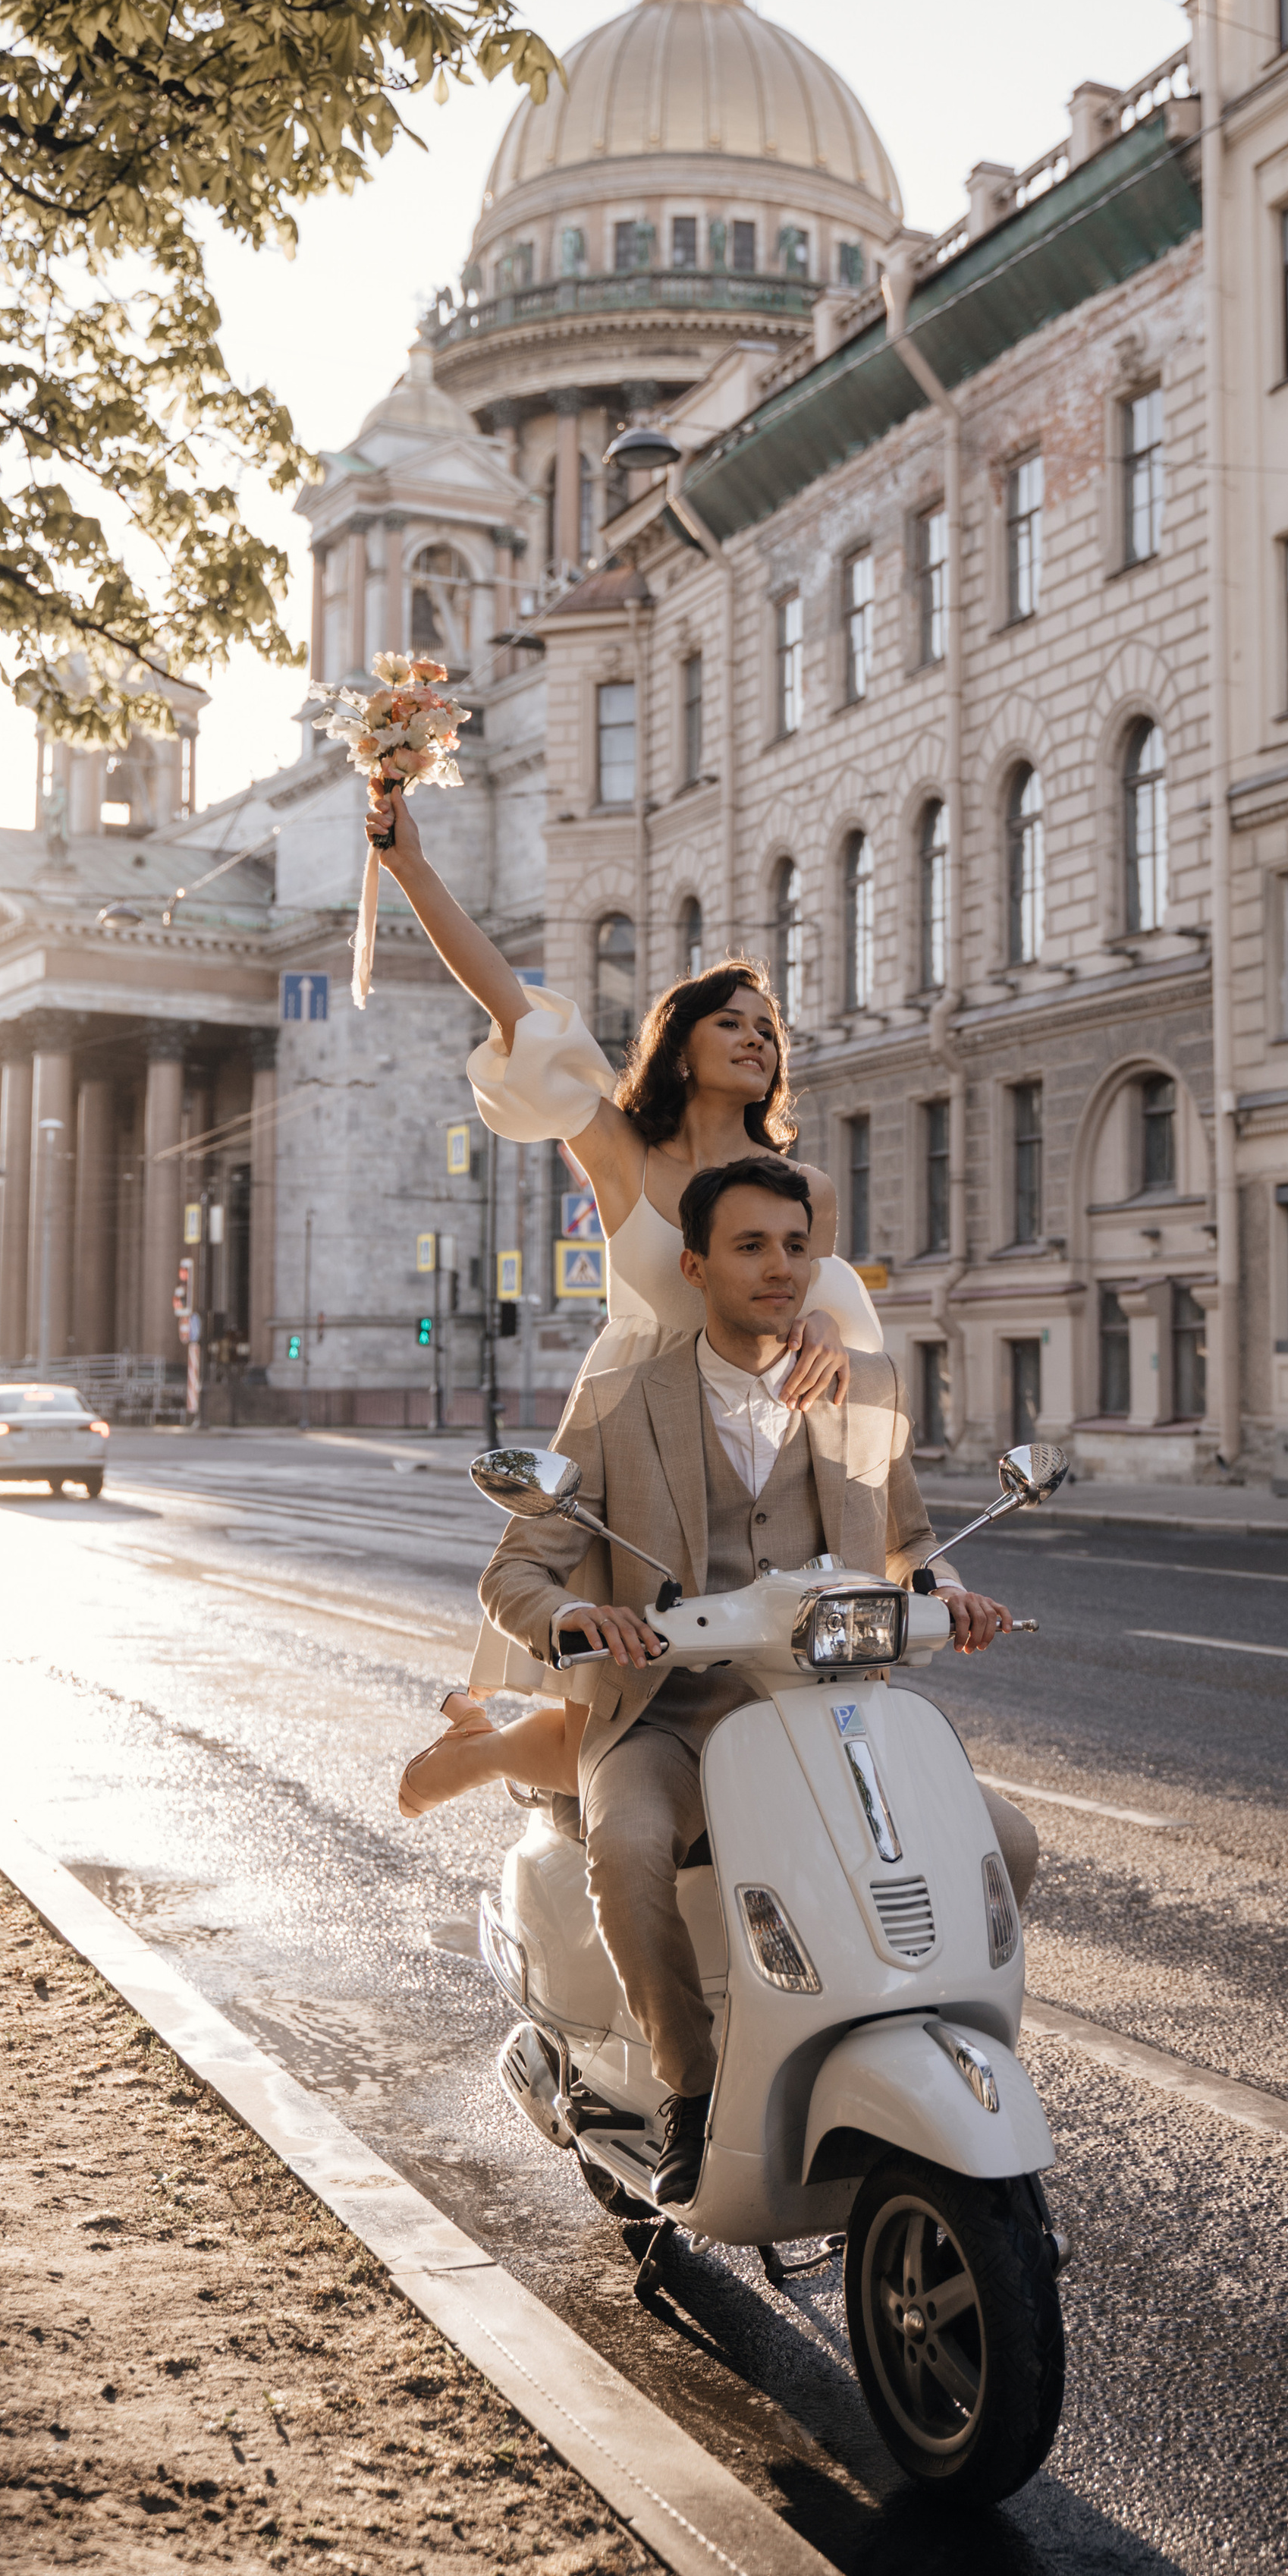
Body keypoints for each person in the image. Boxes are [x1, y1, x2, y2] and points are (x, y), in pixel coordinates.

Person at [474, 1153, 1036, 2207]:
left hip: (830, 1710)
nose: (780, 1267)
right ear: (696, 1266)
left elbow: (912, 1537)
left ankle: (918, 2040)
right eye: (750, 1246)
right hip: (671, 1713)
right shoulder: (620, 1398)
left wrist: (950, 1591)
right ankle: (689, 2084)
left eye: (794, 1244)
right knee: (631, 1843)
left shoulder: (863, 1387)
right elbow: (515, 1571)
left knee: (1005, 1842)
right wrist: (575, 1616)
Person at [366, 775, 883, 1812]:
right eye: (731, 1021)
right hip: (633, 1426)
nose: (756, 1039)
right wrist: (408, 863)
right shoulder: (620, 1151)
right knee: (625, 1695)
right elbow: (510, 1005)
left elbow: (805, 1299)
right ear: (679, 1043)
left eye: (769, 1030)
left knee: (761, 1684)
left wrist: (824, 1319)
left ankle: (514, 1760)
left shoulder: (806, 1189)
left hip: (756, 1439)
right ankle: (497, 1756)